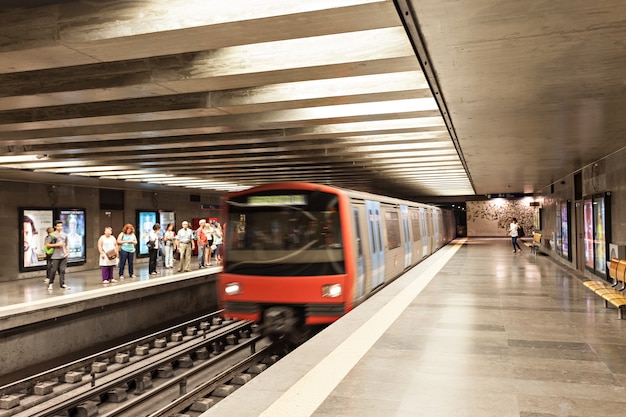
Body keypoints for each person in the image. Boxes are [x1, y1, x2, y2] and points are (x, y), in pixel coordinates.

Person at [46, 220, 70, 290]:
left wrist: (67, 252)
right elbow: (47, 245)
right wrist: (57, 244)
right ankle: (51, 283)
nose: (60, 227)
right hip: (55, 255)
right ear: (55, 227)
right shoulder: (52, 235)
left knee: (62, 270)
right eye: (58, 226)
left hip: (63, 255)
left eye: (61, 226)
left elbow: (67, 244)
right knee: (53, 270)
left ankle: (62, 284)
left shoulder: (65, 235)